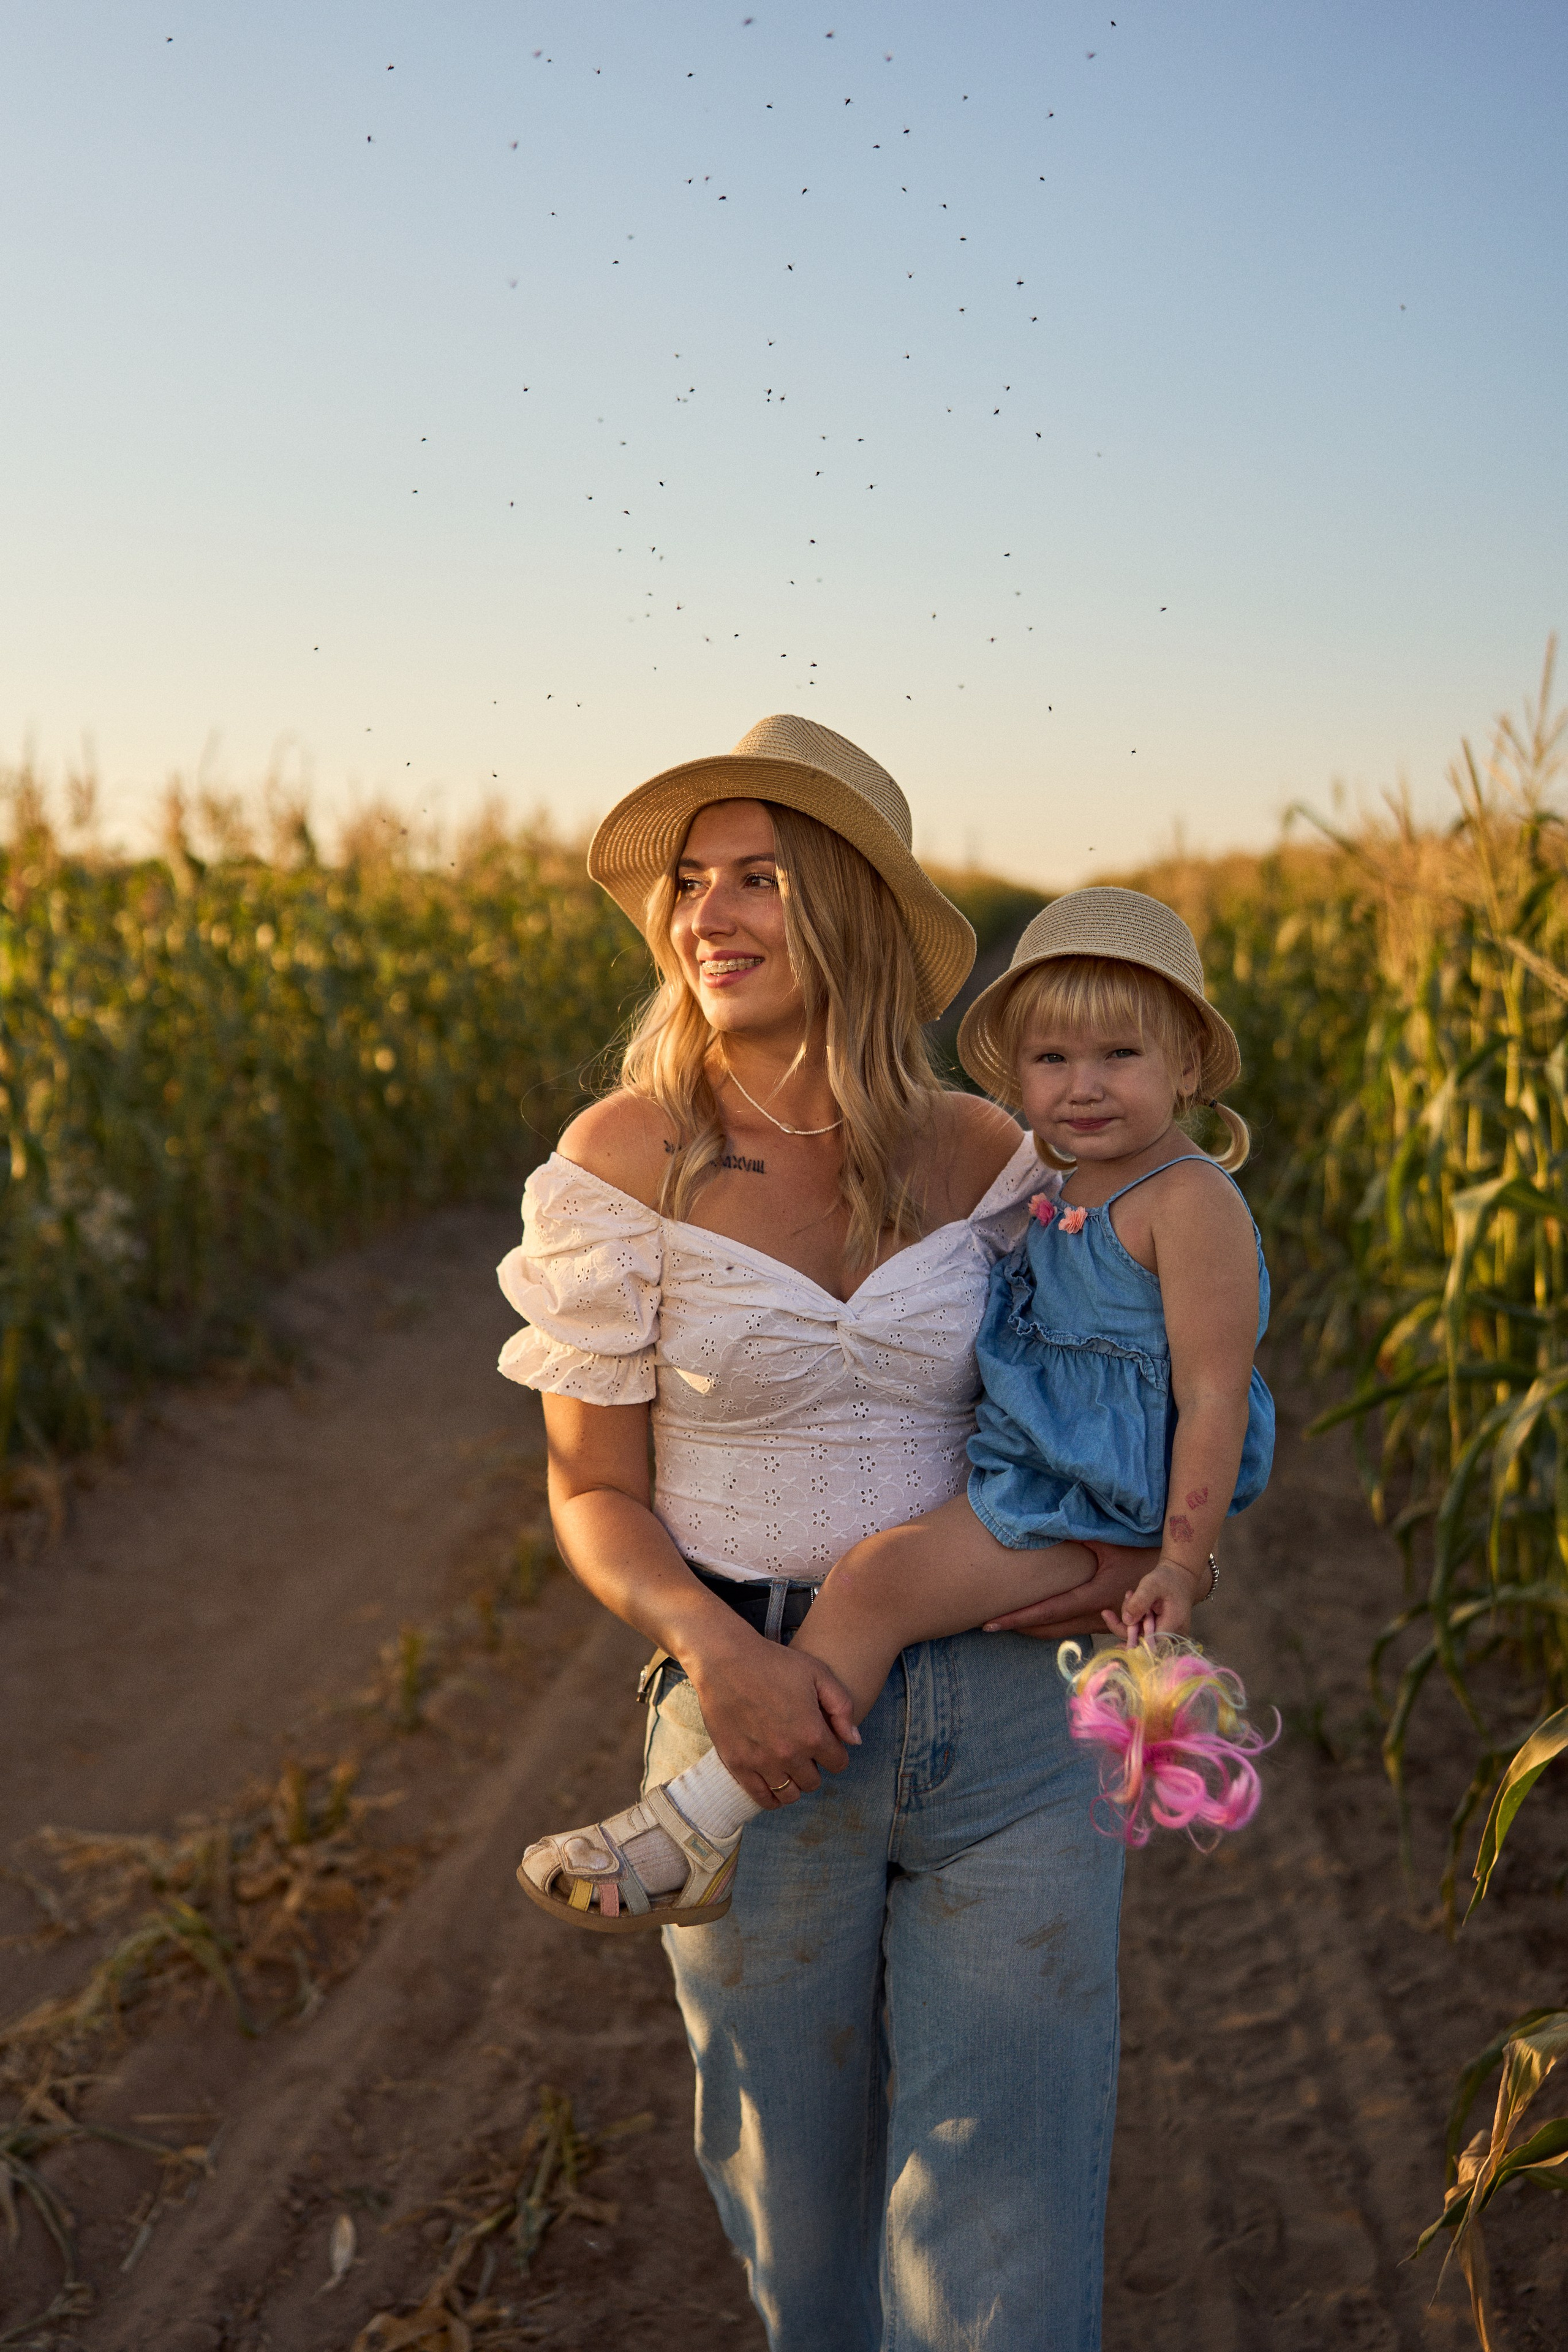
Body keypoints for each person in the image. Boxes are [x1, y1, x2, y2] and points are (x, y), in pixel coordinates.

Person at [499, 714, 1156, 2352]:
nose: (708, 916)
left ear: (854, 904)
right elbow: (591, 1488)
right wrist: (714, 1650)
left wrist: (1132, 1550)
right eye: (692, 885)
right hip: (754, 1726)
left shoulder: (997, 1158)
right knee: (796, 2218)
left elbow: (1114, 1405)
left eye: (761, 879)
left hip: (1011, 1729)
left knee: (1005, 2225)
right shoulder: (620, 1164)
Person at [521, 884, 1275, 1915]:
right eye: (1052, 1061)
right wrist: (711, 1645)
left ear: (1188, 1065)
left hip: (1063, 1534)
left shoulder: (1129, 1188)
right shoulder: (1055, 1186)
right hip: (935, 1541)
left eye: (1120, 1057)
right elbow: (589, 1483)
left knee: (875, 1584)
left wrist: (1181, 1560)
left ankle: (696, 1824)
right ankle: (708, 1813)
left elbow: (1213, 1389)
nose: (1081, 1087)